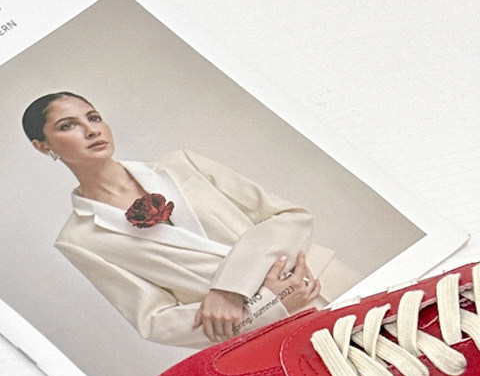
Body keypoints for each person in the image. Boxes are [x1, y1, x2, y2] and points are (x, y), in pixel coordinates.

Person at [25, 91, 356, 345]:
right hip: (270, 332)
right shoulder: (78, 239)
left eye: (94, 118)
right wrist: (268, 304)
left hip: (329, 282)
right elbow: (156, 322)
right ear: (42, 146)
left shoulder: (182, 164)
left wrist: (229, 289)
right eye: (68, 126)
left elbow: (289, 217)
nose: (90, 130)